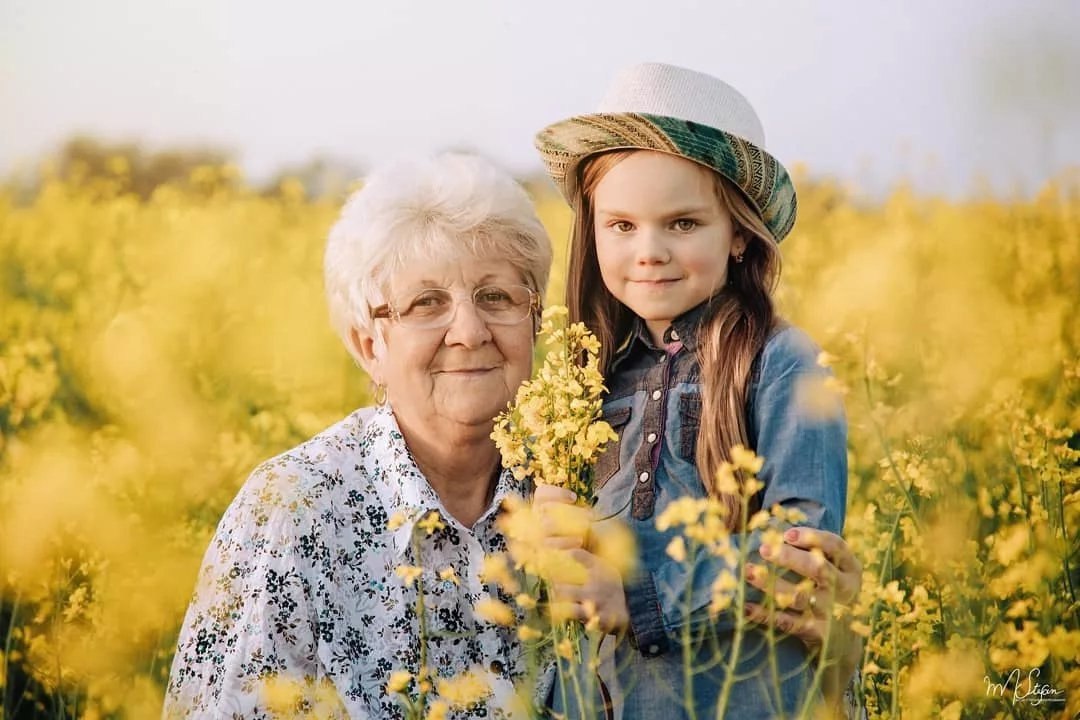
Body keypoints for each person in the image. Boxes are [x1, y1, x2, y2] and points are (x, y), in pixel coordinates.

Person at [163, 150, 860, 719]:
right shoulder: (295, 507)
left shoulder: (576, 478)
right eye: (426, 304)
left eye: (496, 297)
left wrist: (823, 637)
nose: (468, 332)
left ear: (536, 321)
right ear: (367, 342)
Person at [532, 62, 854, 718]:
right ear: (592, 233)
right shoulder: (589, 382)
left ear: (739, 233)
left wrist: (637, 598)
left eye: (682, 223)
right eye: (622, 225)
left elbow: (805, 558)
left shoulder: (782, 364)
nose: (648, 250)